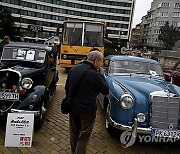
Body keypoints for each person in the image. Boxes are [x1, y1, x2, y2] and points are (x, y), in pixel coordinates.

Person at [65, 49, 109, 154]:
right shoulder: (94, 74)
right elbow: (105, 90)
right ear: (95, 61)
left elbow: (67, 87)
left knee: (74, 133)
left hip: (72, 108)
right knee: (84, 136)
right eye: (101, 62)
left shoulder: (74, 69)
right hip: (87, 110)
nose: (101, 64)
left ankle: (73, 151)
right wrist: (102, 75)